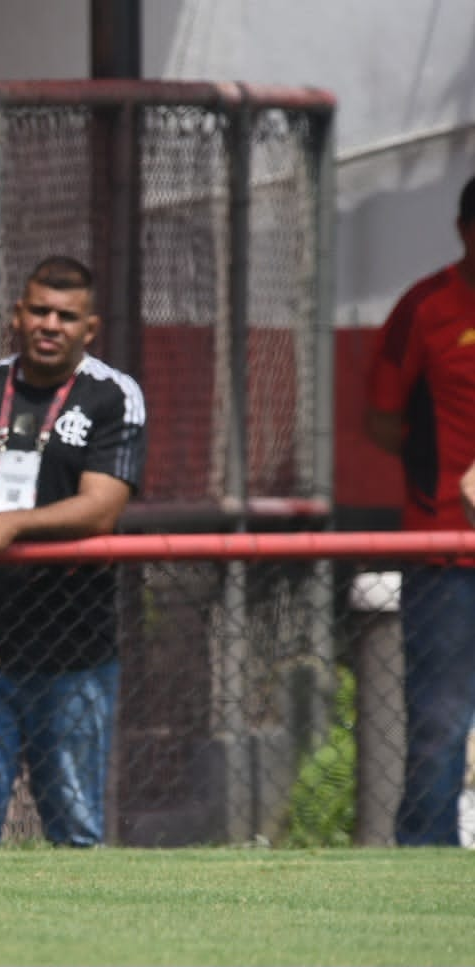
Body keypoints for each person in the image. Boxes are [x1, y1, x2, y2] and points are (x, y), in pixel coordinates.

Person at [0, 255, 146, 848]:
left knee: (75, 827)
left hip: (75, 651)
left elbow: (102, 506)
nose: (51, 325)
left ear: (90, 329)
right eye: (40, 311)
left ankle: (80, 942)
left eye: (67, 316)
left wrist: (6, 526)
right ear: (17, 316)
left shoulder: (112, 396)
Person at [364, 173, 475, 847]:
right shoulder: (426, 308)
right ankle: (425, 864)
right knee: (440, 723)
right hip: (446, 556)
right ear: (466, 230)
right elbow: (381, 420)